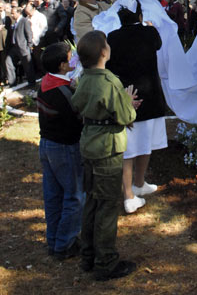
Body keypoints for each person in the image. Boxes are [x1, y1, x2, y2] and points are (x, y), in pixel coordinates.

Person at [71, 30, 137, 281]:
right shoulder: (108, 81)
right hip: (107, 149)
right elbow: (126, 116)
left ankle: (88, 256)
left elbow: (77, 104)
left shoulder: (84, 77)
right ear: (103, 52)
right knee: (107, 206)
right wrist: (128, 103)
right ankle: (106, 262)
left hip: (89, 143)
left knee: (92, 202)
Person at [106, 0, 167, 214]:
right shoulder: (149, 34)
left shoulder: (112, 37)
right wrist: (149, 26)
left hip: (126, 95)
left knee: (131, 147)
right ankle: (130, 193)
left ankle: (136, 186)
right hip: (149, 96)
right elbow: (159, 44)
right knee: (142, 143)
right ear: (139, 16)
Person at [37, 42, 84, 259]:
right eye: (70, 57)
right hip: (65, 146)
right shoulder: (63, 91)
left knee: (53, 194)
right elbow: (77, 119)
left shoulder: (46, 84)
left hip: (47, 144)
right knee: (73, 195)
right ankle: (65, 243)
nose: (73, 59)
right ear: (63, 65)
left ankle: (54, 239)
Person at [5, 6, 36, 90]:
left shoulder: (24, 21)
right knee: (8, 62)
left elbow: (29, 34)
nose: (12, 15)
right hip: (14, 47)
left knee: (27, 66)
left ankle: (32, 83)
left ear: (18, 13)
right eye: (11, 13)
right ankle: (12, 83)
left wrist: (29, 46)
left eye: (13, 13)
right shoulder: (15, 22)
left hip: (23, 47)